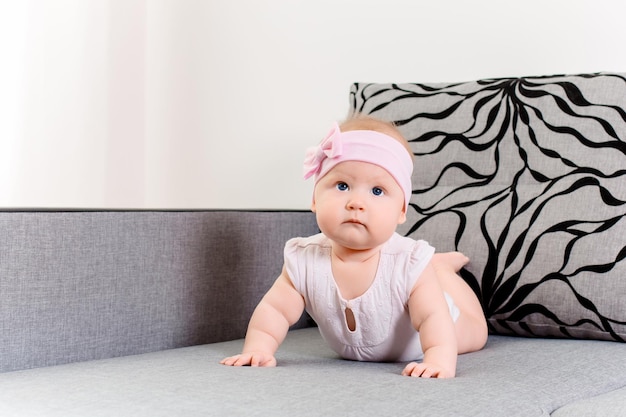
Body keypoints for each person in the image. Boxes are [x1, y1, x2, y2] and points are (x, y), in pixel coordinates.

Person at [221, 115, 487, 378]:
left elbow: (432, 317)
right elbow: (275, 310)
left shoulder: (407, 263)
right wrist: (258, 349)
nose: (356, 202)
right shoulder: (304, 259)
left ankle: (443, 271)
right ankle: (437, 268)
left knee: (476, 332)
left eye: (377, 191)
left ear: (401, 211)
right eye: (342, 185)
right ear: (315, 198)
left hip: (431, 337)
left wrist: (439, 360)